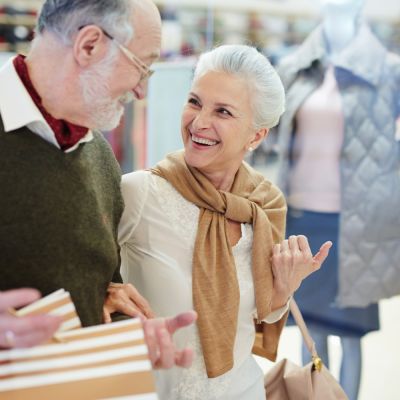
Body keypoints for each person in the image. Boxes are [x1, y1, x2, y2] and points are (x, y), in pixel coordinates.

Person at [119, 44, 332, 400]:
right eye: (195, 102)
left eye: (223, 112)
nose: (200, 122)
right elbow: (86, 285)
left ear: (257, 135)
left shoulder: (263, 204)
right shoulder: (140, 193)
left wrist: (285, 286)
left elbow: (263, 313)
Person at [0, 0, 196, 368]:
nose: (141, 91)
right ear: (89, 45)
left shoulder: (100, 158)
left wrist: (124, 332)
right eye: (142, 68)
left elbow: (102, 284)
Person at [273, 0, 400, 398]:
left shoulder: (388, 72)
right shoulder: (296, 67)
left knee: (349, 331)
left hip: (357, 223)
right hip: (302, 217)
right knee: (310, 326)